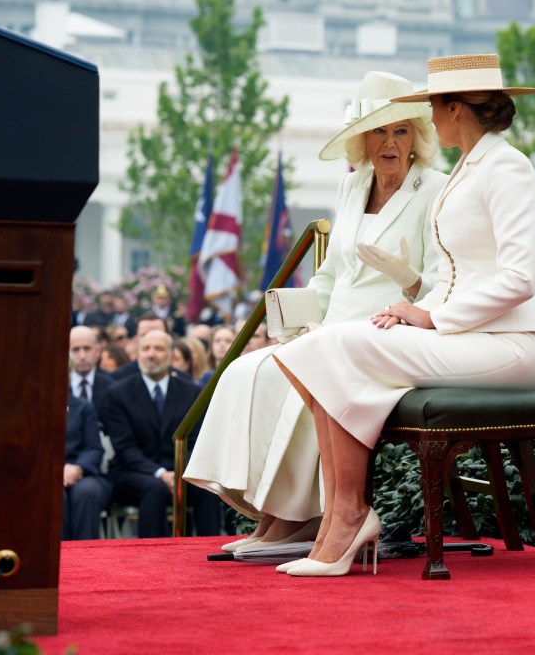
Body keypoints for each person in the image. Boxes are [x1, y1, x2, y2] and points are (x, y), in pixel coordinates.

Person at [271, 53, 535, 577]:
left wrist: (431, 319)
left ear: (456, 108)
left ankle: (349, 516)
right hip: (467, 336)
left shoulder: (507, 166)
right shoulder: (471, 166)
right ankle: (340, 515)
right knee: (313, 348)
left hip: (510, 346)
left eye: (432, 106)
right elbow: (453, 273)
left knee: (334, 348)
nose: (430, 118)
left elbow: (518, 280)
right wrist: (415, 308)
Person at [183, 71, 449, 554]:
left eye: (401, 130)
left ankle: (295, 516)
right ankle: (278, 513)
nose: (389, 143)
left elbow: (444, 285)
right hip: (332, 326)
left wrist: (411, 280)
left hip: (386, 332)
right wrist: (293, 318)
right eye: (378, 131)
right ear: (362, 139)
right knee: (250, 369)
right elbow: (330, 274)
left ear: (418, 137)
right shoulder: (354, 187)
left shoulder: (436, 190)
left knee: (307, 370)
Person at [103, 330, 223, 537]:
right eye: (146, 348)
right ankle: (152, 559)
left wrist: (178, 472)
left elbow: (196, 442)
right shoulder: (117, 394)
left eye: (158, 349)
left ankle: (208, 551)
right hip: (134, 473)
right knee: (154, 488)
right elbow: (125, 448)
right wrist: (160, 473)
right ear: (137, 353)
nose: (151, 354)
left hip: (182, 471)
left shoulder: (191, 392)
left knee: (209, 488)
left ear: (170, 354)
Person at [63, 392, 111, 540]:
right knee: (54, 496)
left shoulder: (83, 407)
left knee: (86, 492)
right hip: (45, 473)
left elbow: (94, 448)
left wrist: (77, 468)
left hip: (82, 472)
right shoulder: (32, 407)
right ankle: (56, 558)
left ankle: (85, 556)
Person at [69, 326, 113, 422]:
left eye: (87, 348)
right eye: (76, 350)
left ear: (98, 352)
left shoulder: (112, 386)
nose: (82, 356)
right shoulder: (56, 388)